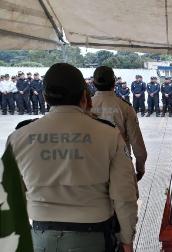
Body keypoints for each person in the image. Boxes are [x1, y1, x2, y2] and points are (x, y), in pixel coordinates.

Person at [6, 63, 138, 252]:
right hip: (94, 238)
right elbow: (124, 195)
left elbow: (11, 196)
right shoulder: (109, 134)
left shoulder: (19, 137)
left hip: (41, 239)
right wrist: (127, 239)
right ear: (84, 96)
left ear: (45, 97)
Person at [91, 66, 148, 181]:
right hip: (120, 165)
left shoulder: (85, 106)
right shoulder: (125, 107)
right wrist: (140, 168)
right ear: (114, 82)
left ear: (93, 83)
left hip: (92, 165)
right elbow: (137, 143)